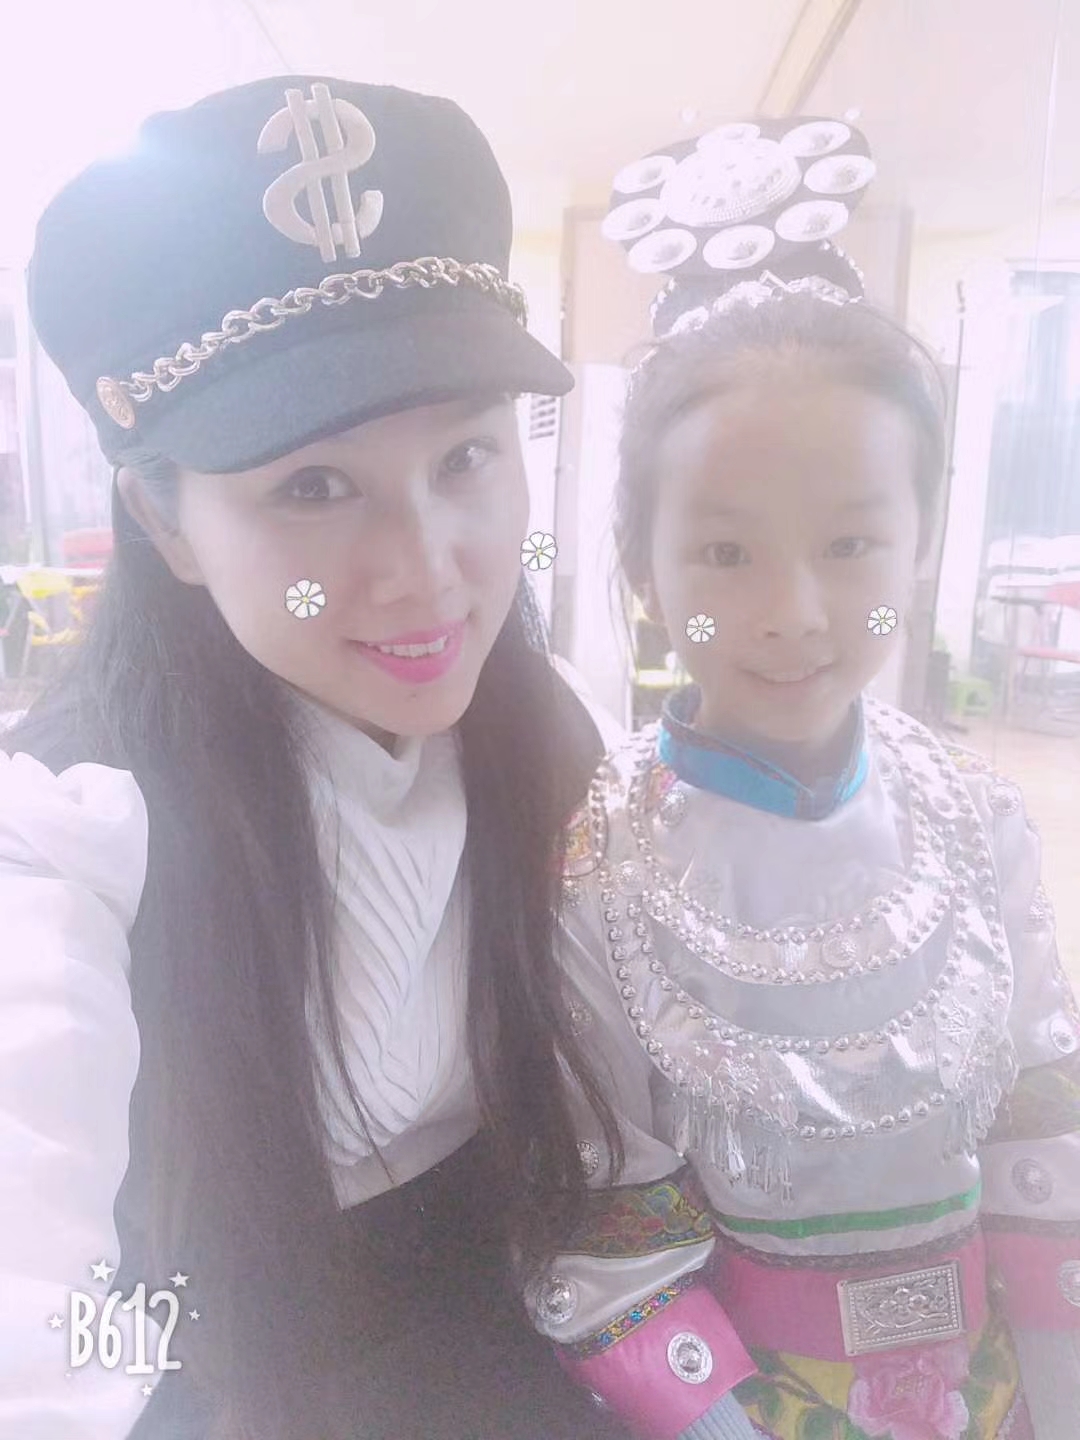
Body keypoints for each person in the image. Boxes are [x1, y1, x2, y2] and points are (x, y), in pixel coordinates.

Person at [0, 75, 639, 1440]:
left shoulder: (551, 727)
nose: (428, 572)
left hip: (542, 1321)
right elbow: (35, 1319)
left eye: (466, 457)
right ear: (166, 525)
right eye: (312, 486)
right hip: (226, 1358)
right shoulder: (67, 829)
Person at [522, 122, 1080, 1440]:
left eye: (850, 544)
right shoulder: (599, 872)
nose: (794, 612)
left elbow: (1039, 1132)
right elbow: (612, 1235)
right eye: (725, 554)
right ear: (644, 571)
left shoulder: (980, 818)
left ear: (921, 543)